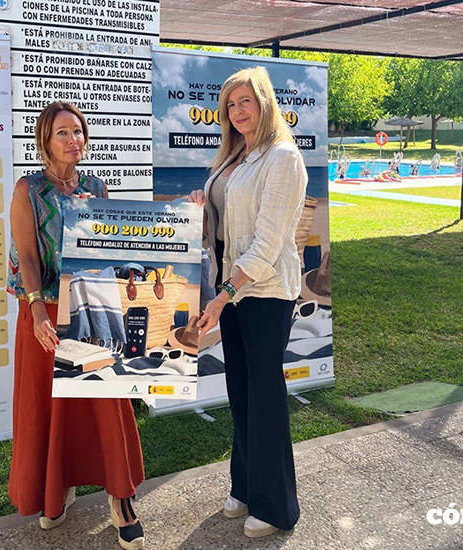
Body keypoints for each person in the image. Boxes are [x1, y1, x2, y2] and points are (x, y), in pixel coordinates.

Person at [7, 101, 145, 550]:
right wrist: (37, 310)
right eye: (63, 132)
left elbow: (105, 249)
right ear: (44, 139)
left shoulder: (95, 185)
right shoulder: (28, 189)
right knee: (50, 409)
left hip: (90, 306)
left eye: (79, 131)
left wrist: (129, 267)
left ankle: (121, 498)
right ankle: (56, 490)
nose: (74, 140)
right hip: (43, 309)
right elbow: (26, 256)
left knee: (105, 401)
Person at [189, 67, 307, 538]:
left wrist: (223, 297)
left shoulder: (282, 157)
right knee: (240, 391)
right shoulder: (235, 155)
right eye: (230, 105)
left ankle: (277, 507)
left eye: (246, 102)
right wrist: (201, 209)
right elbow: (223, 231)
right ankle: (245, 486)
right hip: (233, 291)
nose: (237, 112)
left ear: (265, 103)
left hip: (264, 293)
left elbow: (267, 243)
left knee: (265, 397)